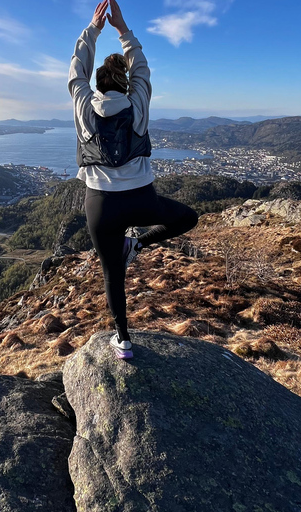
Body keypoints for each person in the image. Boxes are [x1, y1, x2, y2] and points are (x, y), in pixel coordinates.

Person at [69, 0, 198, 359]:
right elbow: (141, 70)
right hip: (142, 200)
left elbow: (75, 72)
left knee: (113, 274)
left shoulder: (83, 108)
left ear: (98, 83)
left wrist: (91, 31)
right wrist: (123, 31)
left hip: (100, 206)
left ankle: (123, 340)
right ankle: (138, 245)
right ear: (124, 84)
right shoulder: (137, 105)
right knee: (188, 218)